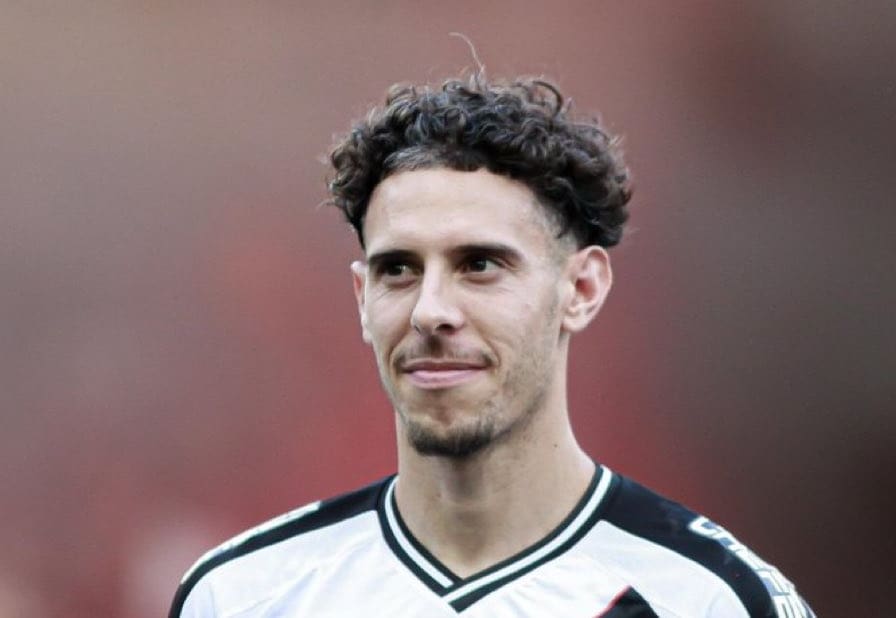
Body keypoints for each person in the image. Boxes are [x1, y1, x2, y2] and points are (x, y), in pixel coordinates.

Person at [169, 74, 814, 617]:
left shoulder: (711, 599)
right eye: (399, 269)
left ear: (581, 288)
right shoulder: (242, 597)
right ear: (362, 297)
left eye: (479, 264)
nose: (431, 311)